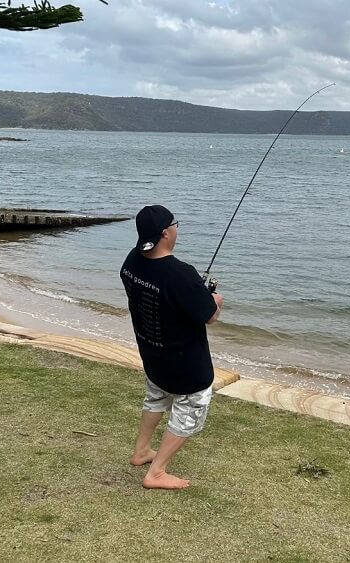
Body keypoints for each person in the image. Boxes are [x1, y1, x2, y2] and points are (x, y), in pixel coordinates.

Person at [120, 204, 222, 490]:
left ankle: (141, 452)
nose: (177, 228)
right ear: (166, 233)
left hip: (152, 355)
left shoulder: (131, 261)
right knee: (190, 408)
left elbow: (164, 299)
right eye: (176, 224)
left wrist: (195, 295)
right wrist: (215, 299)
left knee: (156, 398)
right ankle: (156, 472)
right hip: (187, 367)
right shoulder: (180, 274)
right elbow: (210, 316)